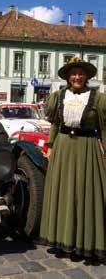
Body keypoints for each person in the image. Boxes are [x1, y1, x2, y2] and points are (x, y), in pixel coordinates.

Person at [40, 57, 106, 261]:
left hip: (87, 149)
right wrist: (50, 147)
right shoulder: (58, 96)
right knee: (63, 192)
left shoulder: (99, 99)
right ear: (68, 77)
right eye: (73, 74)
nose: (77, 77)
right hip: (62, 148)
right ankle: (61, 240)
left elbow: (104, 128)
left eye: (80, 73)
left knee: (86, 193)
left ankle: (85, 243)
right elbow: (54, 124)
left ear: (86, 76)